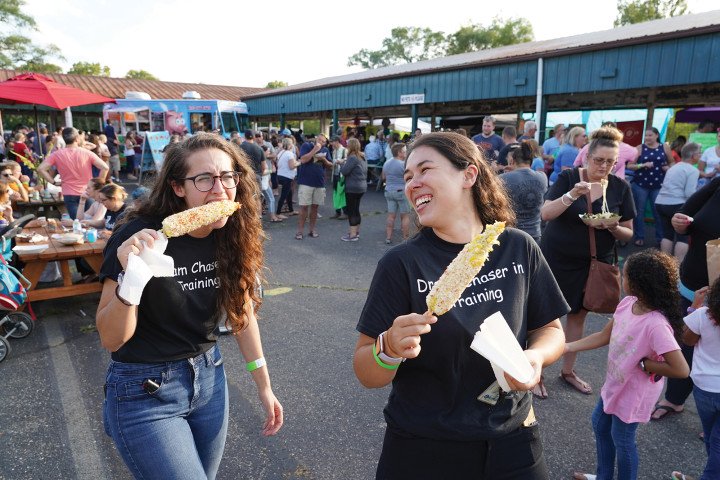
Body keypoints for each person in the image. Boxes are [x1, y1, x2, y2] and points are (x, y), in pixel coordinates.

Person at [353, 132, 568, 479]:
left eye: (424, 170)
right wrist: (388, 348)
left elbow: (550, 329)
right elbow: (366, 371)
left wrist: (536, 357)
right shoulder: (401, 264)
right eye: (408, 177)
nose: (413, 183)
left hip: (513, 438)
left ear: (469, 175)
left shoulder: (518, 246)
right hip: (424, 446)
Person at [96, 133, 283, 479]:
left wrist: (264, 385)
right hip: (144, 390)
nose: (220, 190)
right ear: (178, 187)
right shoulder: (138, 237)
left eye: (228, 177)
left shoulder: (232, 236)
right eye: (204, 179)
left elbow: (242, 315)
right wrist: (133, 276)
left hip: (210, 379)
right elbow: (111, 338)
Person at [567, 250, 689, 480]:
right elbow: (604, 335)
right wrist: (568, 347)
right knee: (600, 425)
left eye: (624, 276)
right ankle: (604, 476)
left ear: (640, 285)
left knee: (622, 441)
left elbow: (682, 369)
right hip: (616, 383)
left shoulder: (656, 325)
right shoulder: (627, 303)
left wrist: (648, 365)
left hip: (634, 394)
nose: (622, 281)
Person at [541, 126, 636, 396]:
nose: (605, 166)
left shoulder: (620, 187)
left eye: (611, 162)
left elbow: (628, 232)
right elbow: (546, 213)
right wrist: (572, 195)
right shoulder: (568, 177)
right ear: (586, 157)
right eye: (599, 160)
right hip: (557, 258)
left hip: (594, 263)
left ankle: (567, 370)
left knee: (578, 316)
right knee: (546, 316)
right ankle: (537, 373)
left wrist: (613, 227)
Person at [652, 177, 720, 420]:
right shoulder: (717, 184)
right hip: (692, 284)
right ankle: (675, 399)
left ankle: (715, 417)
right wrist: (680, 223)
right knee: (684, 343)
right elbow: (685, 216)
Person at [672, 280, 720, 480]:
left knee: (711, 438)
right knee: (715, 441)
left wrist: (694, 308)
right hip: (706, 388)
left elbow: (688, 340)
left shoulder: (704, 315)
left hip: (705, 388)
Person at [37, 127, 109, 218]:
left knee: (77, 222)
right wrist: (99, 185)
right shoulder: (86, 153)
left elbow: (40, 169)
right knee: (90, 222)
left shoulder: (56, 154)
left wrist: (54, 182)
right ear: (77, 138)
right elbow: (105, 167)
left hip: (69, 192)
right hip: (88, 191)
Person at [655, 142, 701, 263]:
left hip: (660, 202)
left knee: (667, 234)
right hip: (677, 204)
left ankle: (664, 265)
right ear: (694, 155)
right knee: (683, 237)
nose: (700, 156)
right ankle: (678, 268)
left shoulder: (674, 167)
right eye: (699, 153)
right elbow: (689, 193)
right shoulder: (693, 170)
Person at [627, 127, 673, 246]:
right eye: (646, 135)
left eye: (650, 135)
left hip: (658, 185)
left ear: (657, 135)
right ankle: (639, 236)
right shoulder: (640, 148)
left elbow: (672, 162)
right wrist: (642, 165)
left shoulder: (664, 147)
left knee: (658, 212)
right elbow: (630, 165)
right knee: (639, 212)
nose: (647, 138)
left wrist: (668, 168)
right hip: (640, 184)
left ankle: (660, 239)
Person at [500, 142, 548, 244]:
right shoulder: (543, 177)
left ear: (512, 161)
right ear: (531, 161)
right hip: (535, 235)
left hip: (512, 235)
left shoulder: (503, 178)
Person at [295, 133, 332, 240]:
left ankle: (312, 230)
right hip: (305, 182)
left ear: (325, 143)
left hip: (319, 182)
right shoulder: (307, 146)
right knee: (304, 207)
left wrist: (324, 160)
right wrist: (315, 150)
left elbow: (330, 165)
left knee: (315, 207)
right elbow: (303, 160)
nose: (321, 143)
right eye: (319, 140)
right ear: (316, 139)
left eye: (323, 141)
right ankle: (300, 231)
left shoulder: (326, 150)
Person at [572, 121, 639, 180]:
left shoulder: (587, 147)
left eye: (610, 161)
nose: (604, 166)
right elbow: (636, 153)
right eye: (598, 160)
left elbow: (577, 164)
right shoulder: (626, 148)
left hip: (613, 186)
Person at [381, 142, 411, 244]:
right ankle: (405, 239)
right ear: (399, 153)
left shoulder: (387, 163)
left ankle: (388, 238)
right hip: (401, 192)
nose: (406, 153)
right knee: (405, 216)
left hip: (389, 191)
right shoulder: (404, 165)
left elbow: (383, 177)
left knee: (391, 216)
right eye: (405, 151)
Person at [339, 138, 367, 242]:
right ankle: (356, 232)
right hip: (361, 186)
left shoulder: (352, 157)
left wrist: (341, 163)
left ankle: (352, 235)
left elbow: (345, 171)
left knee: (352, 211)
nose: (346, 147)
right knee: (356, 210)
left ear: (350, 146)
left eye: (347, 145)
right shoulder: (362, 156)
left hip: (352, 187)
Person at [275, 137, 298, 217]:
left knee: (289, 193)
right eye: (292, 143)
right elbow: (291, 166)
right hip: (287, 177)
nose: (293, 145)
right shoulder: (290, 154)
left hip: (280, 175)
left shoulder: (281, 152)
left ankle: (291, 210)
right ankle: (278, 213)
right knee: (284, 195)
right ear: (289, 144)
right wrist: (299, 163)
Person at [330, 136, 348, 219]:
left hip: (342, 175)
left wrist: (341, 161)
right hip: (335, 174)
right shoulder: (334, 151)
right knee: (336, 193)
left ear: (337, 141)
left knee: (342, 193)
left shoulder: (344, 150)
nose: (331, 143)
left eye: (332, 142)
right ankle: (337, 212)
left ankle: (345, 212)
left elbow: (347, 160)